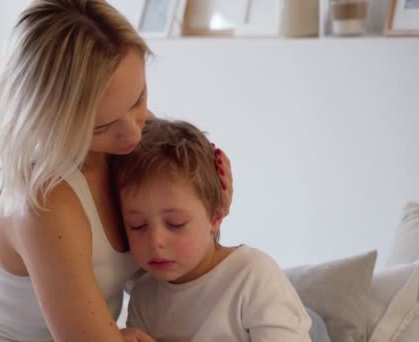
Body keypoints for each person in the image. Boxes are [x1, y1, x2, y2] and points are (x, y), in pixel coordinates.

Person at [0, 1, 232, 341]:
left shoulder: (130, 139)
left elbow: (189, 261)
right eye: (101, 126)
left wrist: (210, 206)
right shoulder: (45, 202)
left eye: (138, 100)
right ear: (50, 121)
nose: (135, 132)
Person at [111, 118, 312, 342]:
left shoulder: (252, 275)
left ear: (215, 216)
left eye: (175, 223)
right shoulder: (143, 296)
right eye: (137, 225)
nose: (155, 240)